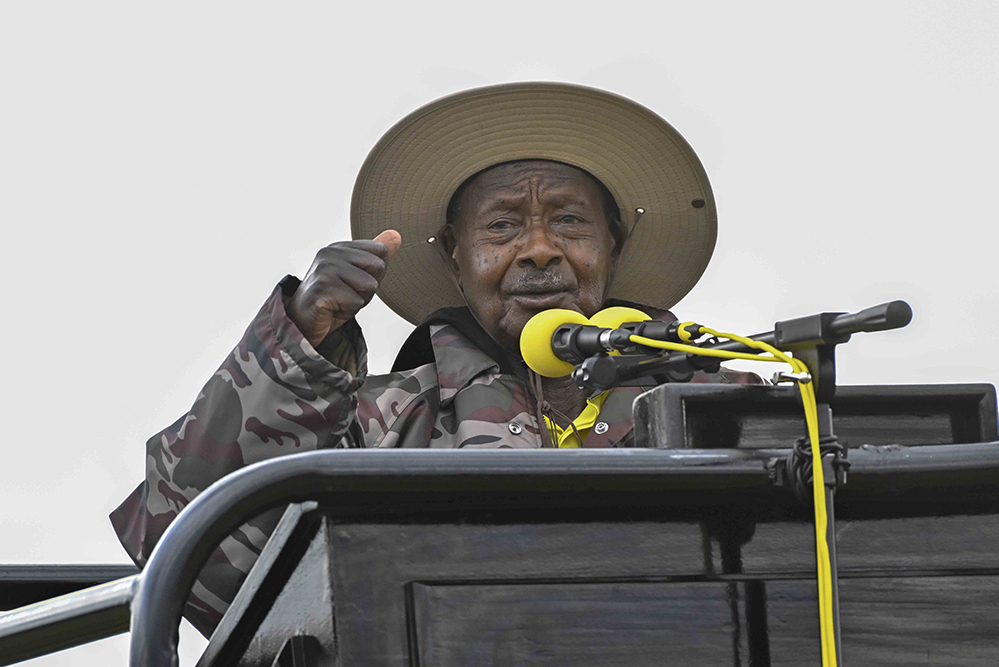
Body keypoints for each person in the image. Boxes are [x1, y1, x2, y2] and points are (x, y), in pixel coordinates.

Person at [110, 83, 761, 634]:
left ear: (614, 244)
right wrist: (299, 338)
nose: (538, 249)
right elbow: (187, 553)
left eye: (568, 221)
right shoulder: (386, 424)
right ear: (454, 252)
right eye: (503, 226)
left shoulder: (719, 400)